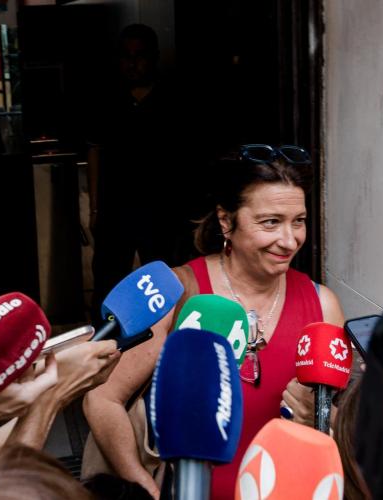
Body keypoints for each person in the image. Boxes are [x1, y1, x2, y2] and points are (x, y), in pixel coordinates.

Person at [83, 144, 345, 499]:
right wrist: (145, 487)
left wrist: (319, 415)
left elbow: (340, 424)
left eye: (298, 221)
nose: (289, 240)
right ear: (226, 221)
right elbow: (102, 398)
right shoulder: (178, 294)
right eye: (270, 222)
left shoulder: (322, 305)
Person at [87, 24, 197, 320]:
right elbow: (94, 150)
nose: (133, 63)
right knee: (107, 281)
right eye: (126, 56)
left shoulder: (173, 98)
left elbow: (186, 158)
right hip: (115, 208)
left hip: (161, 210)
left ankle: (165, 338)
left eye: (140, 56)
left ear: (154, 57)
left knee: (165, 281)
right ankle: (105, 339)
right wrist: (94, 209)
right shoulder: (107, 98)